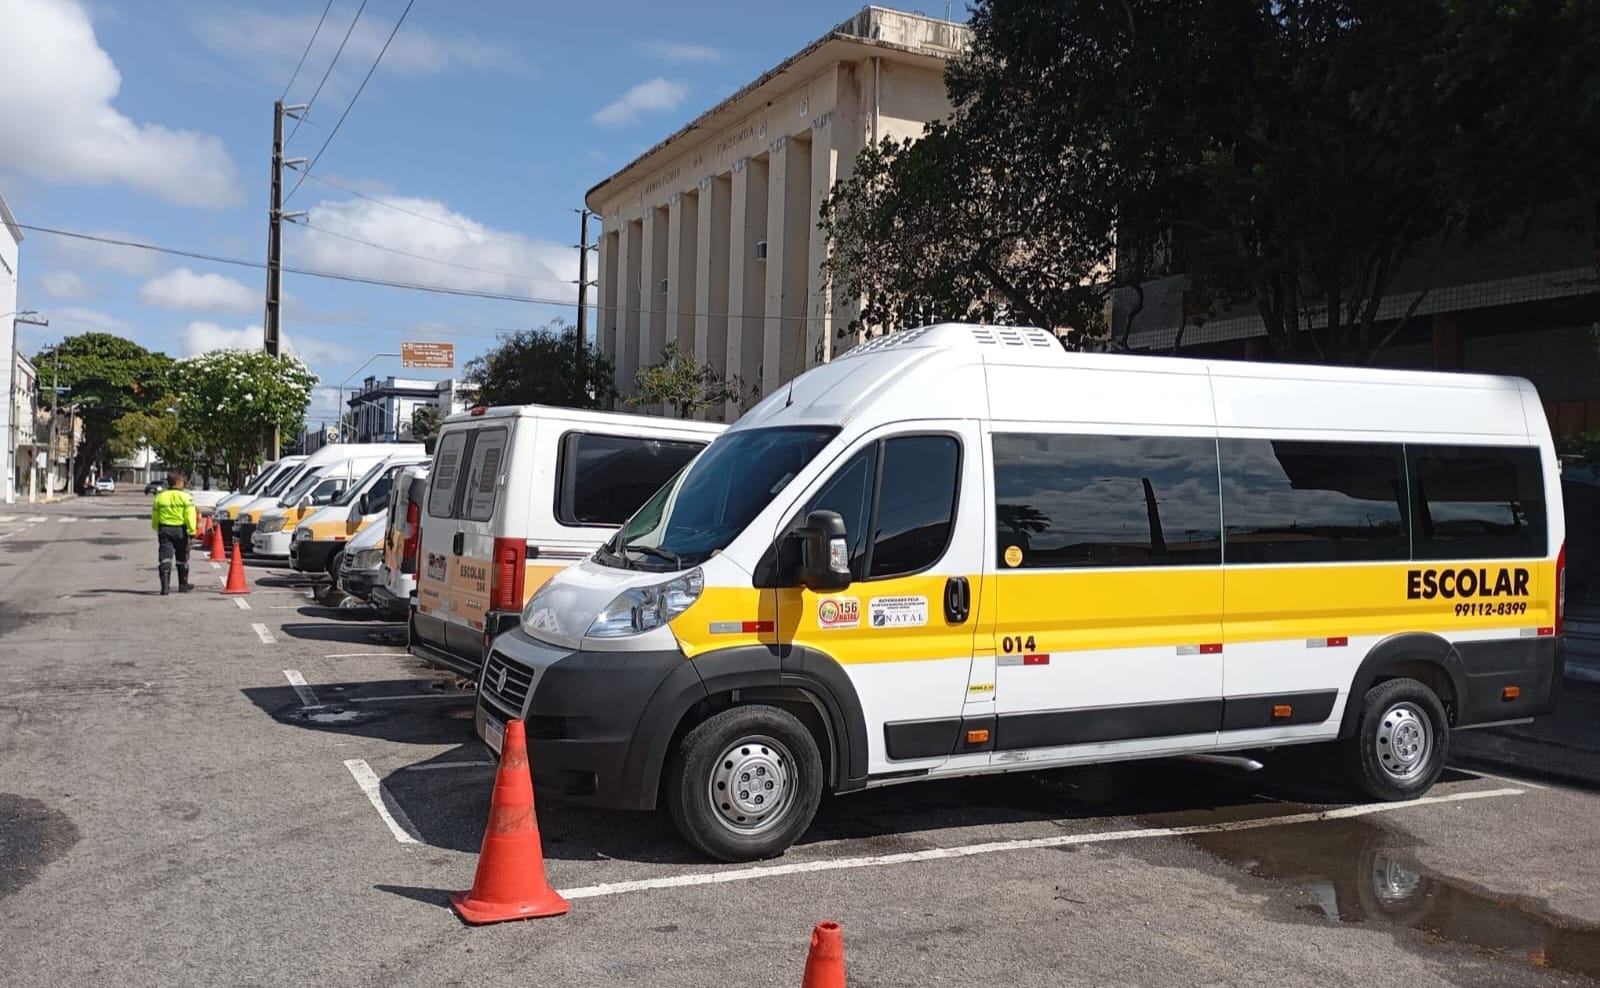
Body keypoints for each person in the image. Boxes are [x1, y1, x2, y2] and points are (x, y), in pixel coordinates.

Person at [150, 471, 198, 595]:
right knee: (182, 558)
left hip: (165, 529)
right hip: (181, 530)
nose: (184, 483)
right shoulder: (186, 497)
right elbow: (190, 516)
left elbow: (155, 515)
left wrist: (156, 527)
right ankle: (183, 585)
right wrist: (192, 532)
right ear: (178, 482)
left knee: (165, 558)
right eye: (182, 481)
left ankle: (165, 587)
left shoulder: (160, 497)